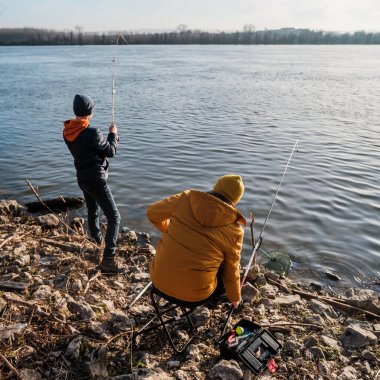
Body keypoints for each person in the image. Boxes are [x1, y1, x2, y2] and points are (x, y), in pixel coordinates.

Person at [147, 174, 247, 309]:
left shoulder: (185, 198)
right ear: (236, 200)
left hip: (158, 281)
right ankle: (212, 304)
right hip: (195, 297)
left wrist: (168, 229)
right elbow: (231, 270)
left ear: (216, 186)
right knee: (224, 264)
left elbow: (152, 213)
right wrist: (235, 298)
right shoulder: (235, 231)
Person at [63, 94, 122, 274]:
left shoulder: (68, 130)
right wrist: (113, 134)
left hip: (83, 177)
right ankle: (108, 259)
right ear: (90, 112)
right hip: (96, 179)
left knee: (93, 210)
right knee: (114, 217)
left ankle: (96, 242)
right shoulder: (91, 132)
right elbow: (110, 151)